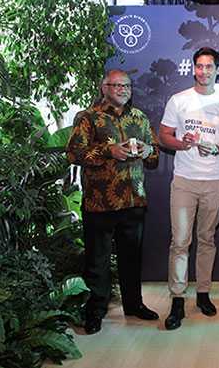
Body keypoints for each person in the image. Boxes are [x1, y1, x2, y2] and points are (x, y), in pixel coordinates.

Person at [67, 69, 160, 335]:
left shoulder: (139, 117)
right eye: (116, 85)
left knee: (132, 258)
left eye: (126, 86)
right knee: (97, 262)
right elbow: (74, 153)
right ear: (103, 87)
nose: (123, 90)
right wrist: (109, 151)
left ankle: (134, 305)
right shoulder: (88, 117)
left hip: (133, 200)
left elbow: (154, 157)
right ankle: (95, 312)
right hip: (100, 203)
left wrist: (148, 150)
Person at [159, 47, 219, 330]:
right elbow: (163, 136)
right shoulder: (179, 100)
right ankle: (177, 299)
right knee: (180, 241)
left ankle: (203, 293)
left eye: (209, 66)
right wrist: (183, 144)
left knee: (206, 239)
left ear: (218, 70)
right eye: (199, 66)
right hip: (184, 179)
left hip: (214, 180)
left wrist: (216, 148)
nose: (204, 71)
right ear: (193, 69)